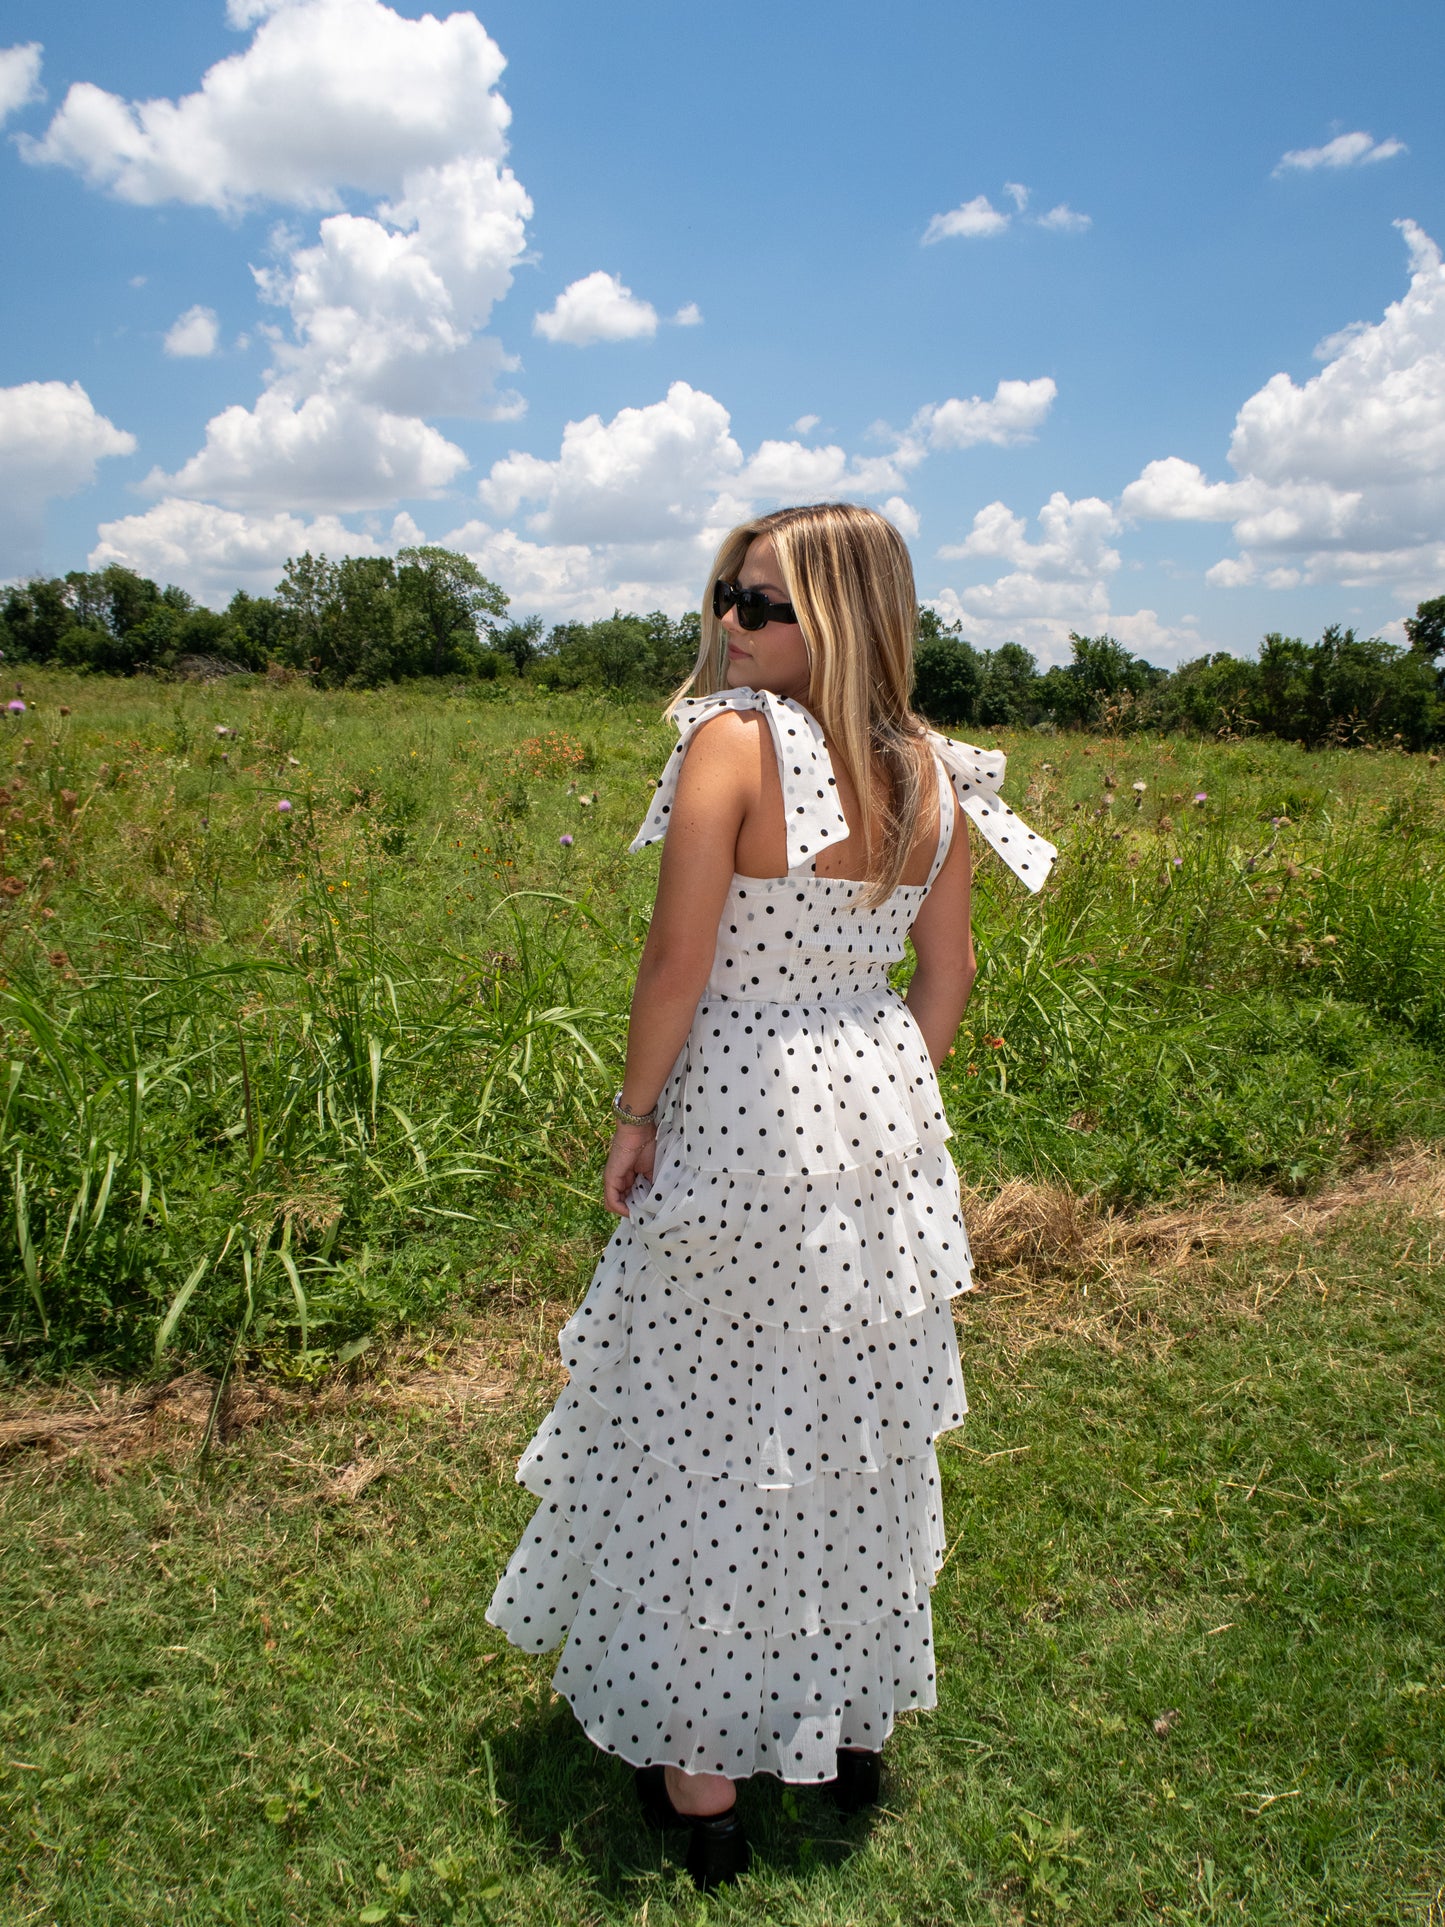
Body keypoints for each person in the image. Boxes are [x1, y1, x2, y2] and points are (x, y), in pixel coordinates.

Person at [486, 502, 1056, 1889]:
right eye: (727, 598)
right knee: (846, 1430)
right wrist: (879, 1102)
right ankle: (840, 1724)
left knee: (711, 1426)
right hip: (872, 1110)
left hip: (739, 1105)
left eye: (761, 605)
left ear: (843, 615)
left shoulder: (733, 741)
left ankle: (701, 1779)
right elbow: (947, 977)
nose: (729, 628)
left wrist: (633, 1117)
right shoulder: (927, 763)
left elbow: (676, 962)